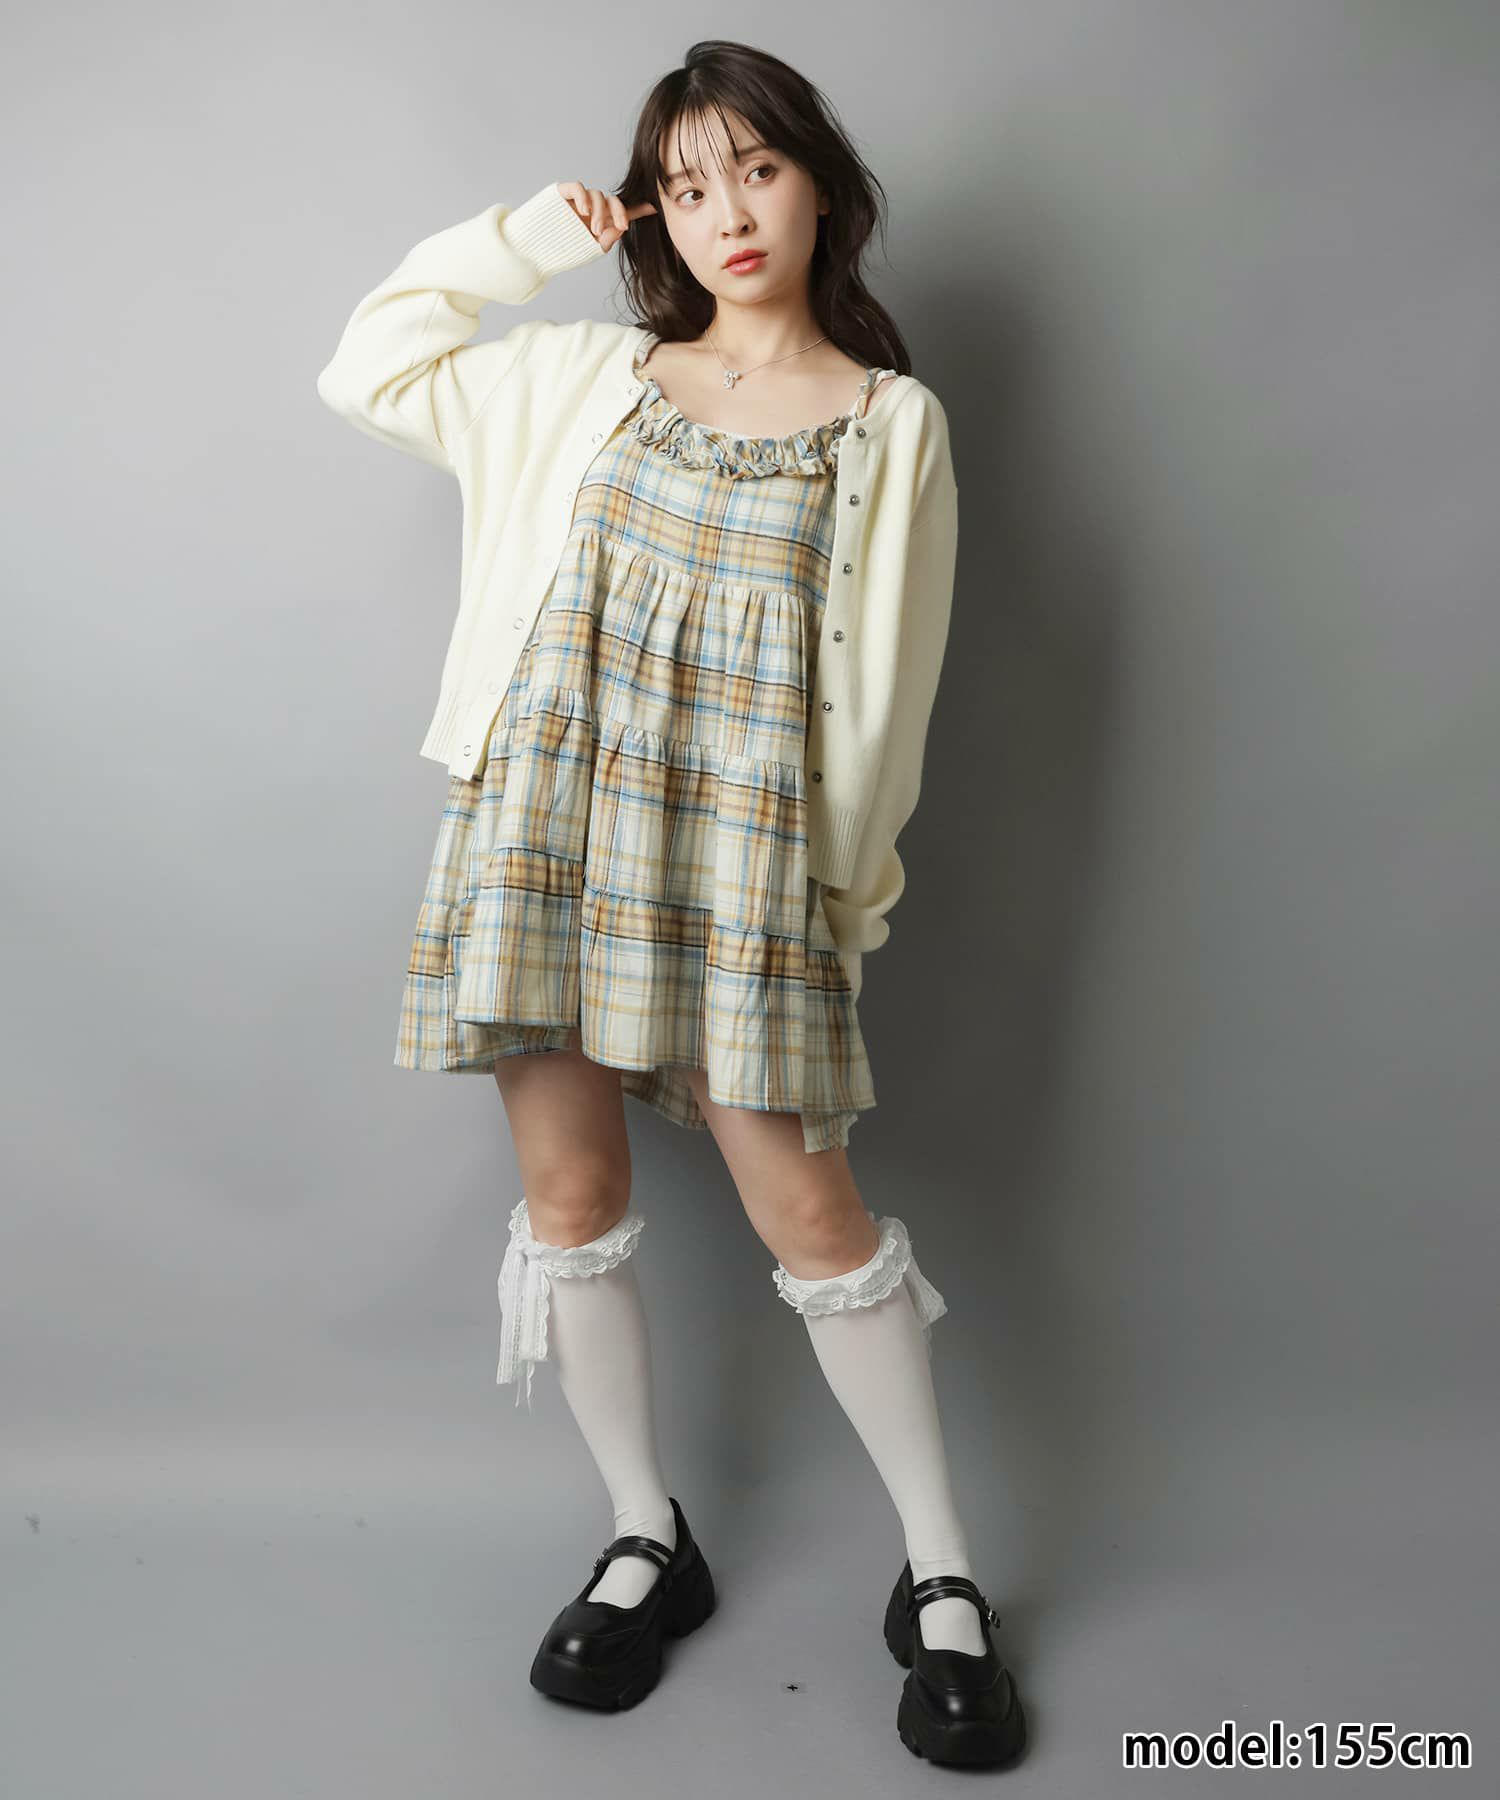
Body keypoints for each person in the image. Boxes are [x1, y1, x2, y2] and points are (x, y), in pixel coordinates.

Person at [316, 37, 1025, 1770]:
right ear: (656, 213)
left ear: (821, 186)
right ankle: (647, 1534)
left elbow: (892, 702)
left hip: (745, 869)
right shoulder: (581, 375)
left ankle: (943, 1575)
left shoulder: (891, 423)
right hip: (546, 826)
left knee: (814, 1217)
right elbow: (371, 362)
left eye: (756, 170)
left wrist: (841, 907)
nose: (728, 213)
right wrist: (520, 243)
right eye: (688, 185)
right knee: (572, 1198)